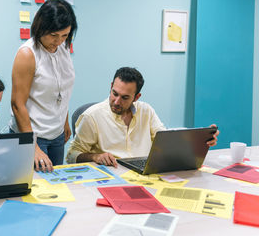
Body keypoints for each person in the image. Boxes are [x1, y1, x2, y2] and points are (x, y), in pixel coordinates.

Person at [66, 67, 219, 167]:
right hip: (112, 176)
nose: (117, 101)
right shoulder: (92, 116)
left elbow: (165, 139)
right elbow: (72, 156)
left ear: (136, 97)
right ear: (111, 85)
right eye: (115, 93)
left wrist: (199, 140)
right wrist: (95, 157)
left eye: (125, 97)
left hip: (145, 176)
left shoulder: (146, 111)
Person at [10, 0, 78, 172]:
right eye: (53, 35)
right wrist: (32, 147)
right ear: (41, 27)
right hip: (33, 134)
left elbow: (61, 86)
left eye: (64, 35)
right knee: (33, 192)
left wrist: (64, 120)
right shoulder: (27, 54)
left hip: (57, 134)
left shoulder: (63, 48)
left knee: (56, 190)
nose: (59, 41)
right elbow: (17, 104)